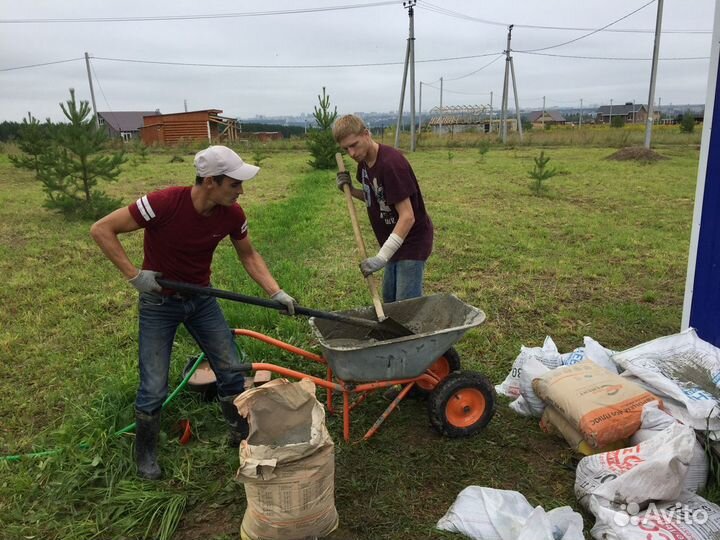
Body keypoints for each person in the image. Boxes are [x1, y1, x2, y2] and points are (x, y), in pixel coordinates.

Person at [90, 145, 296, 480]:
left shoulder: (232, 214)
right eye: (234, 183)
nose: (241, 190)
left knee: (231, 367)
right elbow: (101, 229)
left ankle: (240, 433)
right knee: (154, 384)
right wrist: (134, 276)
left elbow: (249, 255)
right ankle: (146, 454)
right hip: (159, 303)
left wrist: (276, 291)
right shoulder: (163, 203)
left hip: (201, 301)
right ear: (211, 182)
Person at [332, 114, 433, 303]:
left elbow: (407, 217)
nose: (352, 153)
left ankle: (414, 333)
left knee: (405, 304)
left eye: (354, 145)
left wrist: (382, 257)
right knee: (389, 299)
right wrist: (351, 190)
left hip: (411, 241)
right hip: (393, 243)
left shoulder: (391, 164)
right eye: (346, 149)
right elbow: (377, 198)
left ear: (366, 134)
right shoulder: (363, 165)